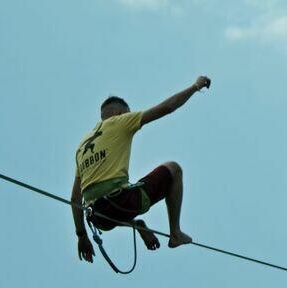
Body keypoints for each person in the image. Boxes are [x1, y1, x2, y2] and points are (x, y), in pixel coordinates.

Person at [71, 76, 211, 262]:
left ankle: (136, 225)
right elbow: (167, 107)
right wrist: (195, 87)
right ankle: (175, 233)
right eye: (127, 113)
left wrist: (81, 236)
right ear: (119, 113)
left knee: (113, 201)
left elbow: (75, 199)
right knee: (174, 169)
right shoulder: (120, 121)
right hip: (123, 202)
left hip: (99, 218)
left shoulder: (81, 147)